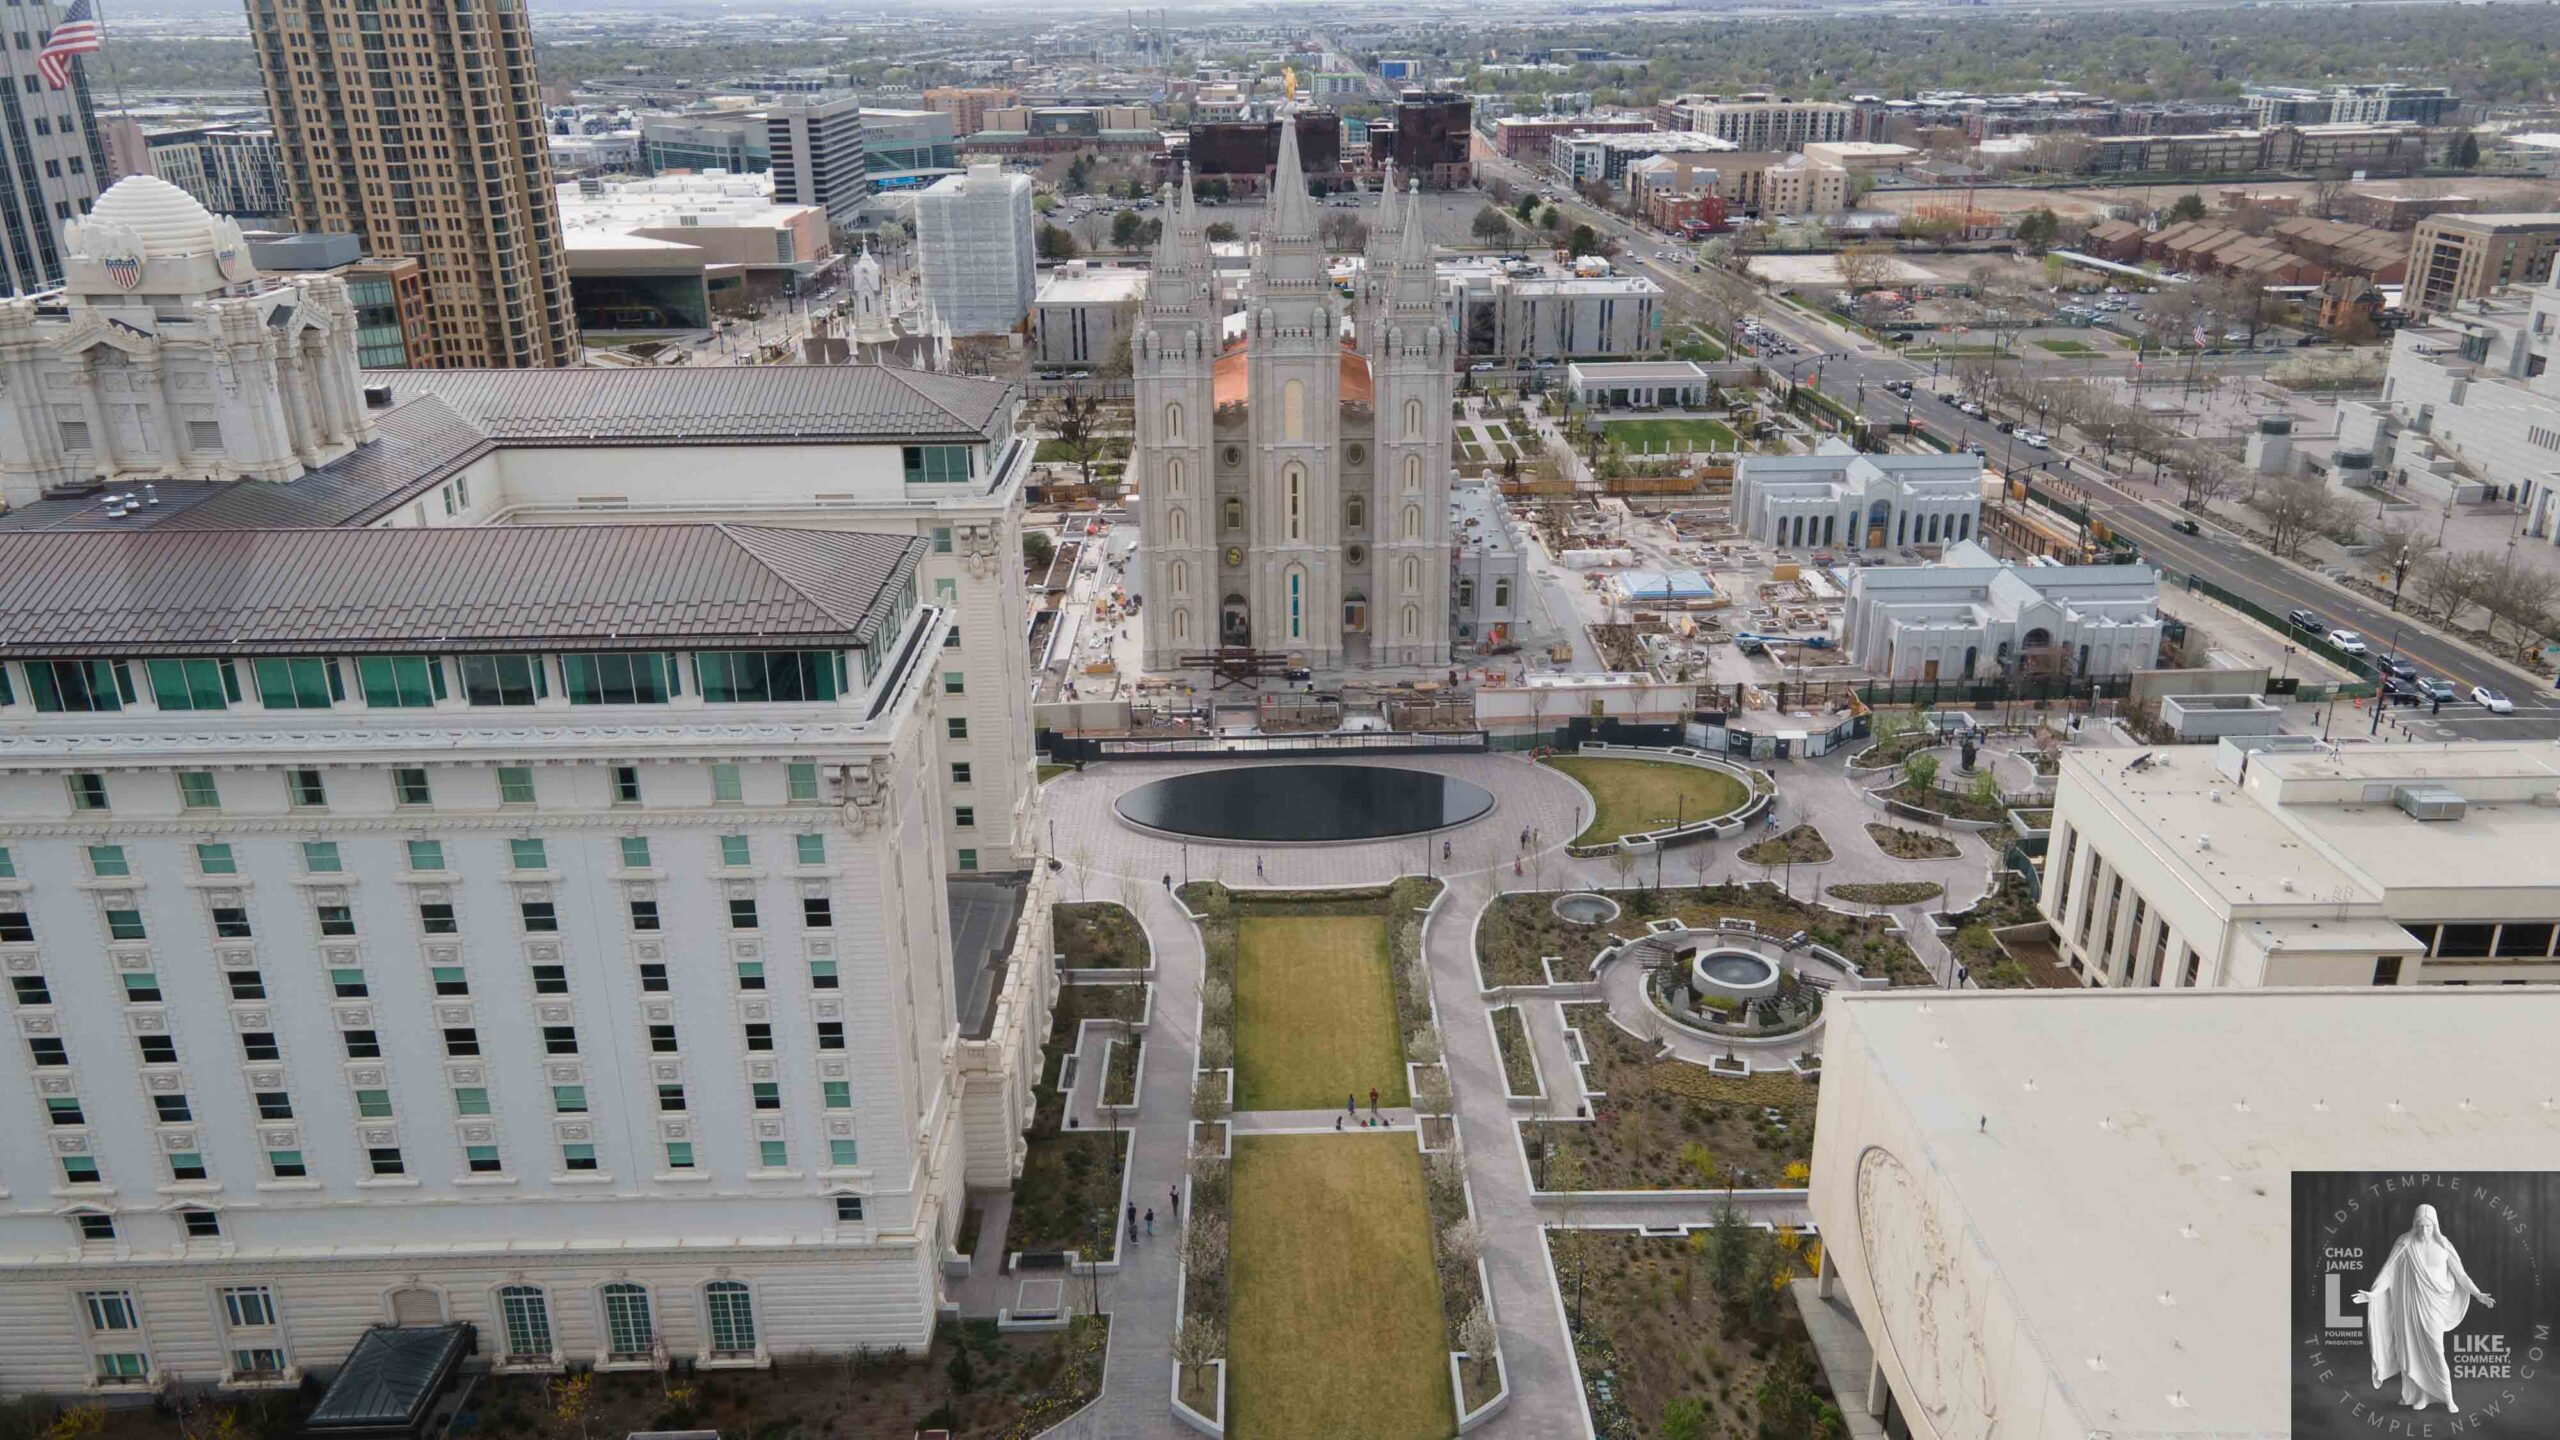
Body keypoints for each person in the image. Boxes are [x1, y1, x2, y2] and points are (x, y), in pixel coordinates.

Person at [2354, 1203, 2496, 1413]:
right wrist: (2373, 1294)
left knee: (2436, 1351)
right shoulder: (2404, 1244)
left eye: (2428, 1226)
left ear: (2435, 1226)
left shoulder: (2444, 1246)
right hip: (2410, 1308)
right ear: (2415, 1224)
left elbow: (2461, 1275)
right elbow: (2388, 1273)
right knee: (2411, 1350)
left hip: (2434, 1307)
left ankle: (2447, 1397)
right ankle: (2420, 1396)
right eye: (2420, 1226)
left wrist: (2478, 1294)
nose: (2424, 1231)